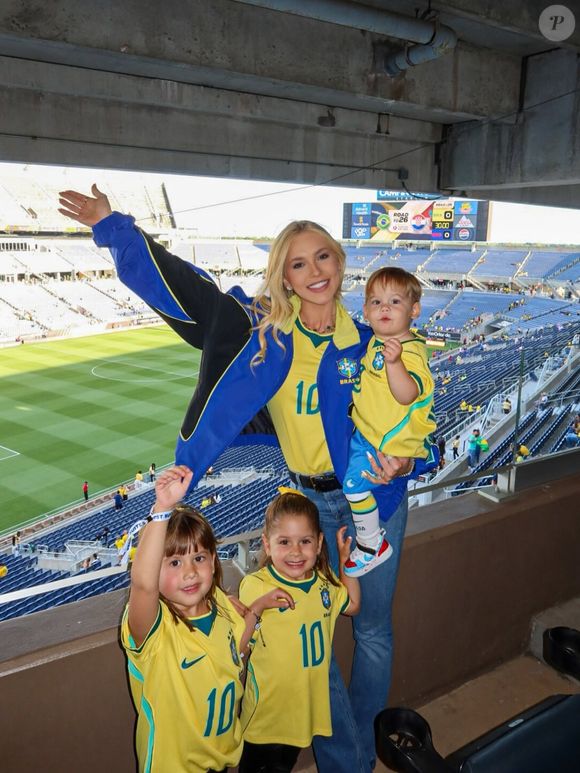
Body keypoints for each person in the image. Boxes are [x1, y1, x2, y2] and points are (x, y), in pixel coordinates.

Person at [58, 186, 437, 772]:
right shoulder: (262, 334)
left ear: (340, 262)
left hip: (379, 500)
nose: (315, 272)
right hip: (308, 505)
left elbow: (420, 411)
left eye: (324, 257)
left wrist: (410, 460)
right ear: (283, 277)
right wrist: (114, 228)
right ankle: (352, 760)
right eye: (298, 263)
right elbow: (188, 293)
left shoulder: (371, 340)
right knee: (314, 638)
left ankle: (358, 749)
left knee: (374, 632)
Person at [120, 465, 293, 773]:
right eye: (174, 562)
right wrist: (161, 509)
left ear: (214, 561)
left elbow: (234, 651)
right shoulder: (155, 633)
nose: (189, 572)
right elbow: (143, 585)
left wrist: (255, 610)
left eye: (198, 558)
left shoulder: (223, 608)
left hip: (221, 759)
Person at [239, 490, 360, 772]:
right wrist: (257, 608)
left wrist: (345, 563)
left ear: (319, 544)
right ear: (267, 545)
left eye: (305, 541)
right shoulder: (255, 586)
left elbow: (352, 604)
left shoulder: (323, 584)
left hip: (302, 713)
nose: (295, 552)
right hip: (266, 719)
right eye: (284, 542)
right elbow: (238, 647)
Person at [342, 267, 436, 576]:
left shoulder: (408, 351)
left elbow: (408, 393)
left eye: (395, 301)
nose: (384, 308)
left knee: (354, 489)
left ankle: (371, 544)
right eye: (375, 301)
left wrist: (394, 364)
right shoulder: (379, 340)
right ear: (366, 310)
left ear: (415, 310)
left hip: (384, 443)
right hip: (371, 434)